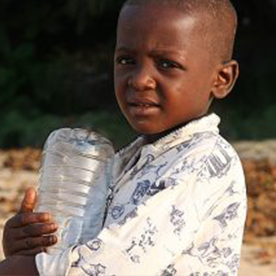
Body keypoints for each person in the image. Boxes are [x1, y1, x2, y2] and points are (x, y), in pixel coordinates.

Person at [0, 0, 247, 275]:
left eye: (167, 64)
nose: (140, 80)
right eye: (127, 60)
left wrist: (25, 270)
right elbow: (91, 243)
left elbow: (118, 265)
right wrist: (31, 247)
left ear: (222, 79)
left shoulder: (203, 161)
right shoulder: (129, 161)